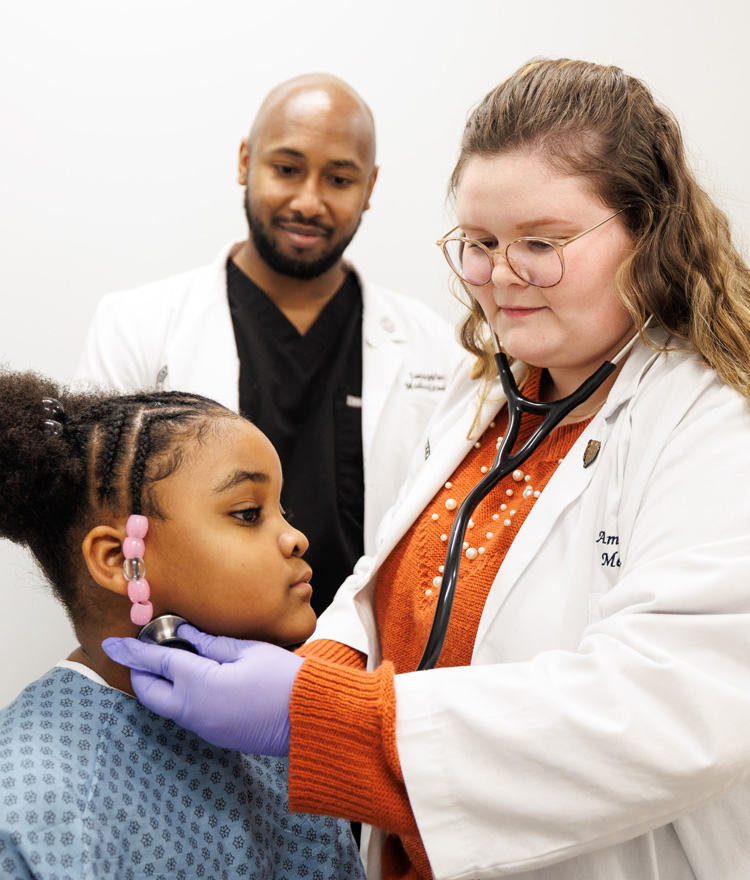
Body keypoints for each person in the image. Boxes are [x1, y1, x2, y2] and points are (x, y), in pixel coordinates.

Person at [103, 57, 750, 880]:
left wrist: (318, 717)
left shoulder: (716, 423)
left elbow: (665, 712)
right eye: (478, 243)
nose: (500, 279)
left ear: (647, 229)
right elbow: (391, 587)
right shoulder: (490, 394)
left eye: (541, 244)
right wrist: (323, 664)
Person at [75, 72, 461, 617]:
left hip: (367, 671)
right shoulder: (137, 325)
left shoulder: (438, 348)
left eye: (340, 179)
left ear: (370, 188)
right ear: (244, 161)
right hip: (186, 660)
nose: (309, 201)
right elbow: (101, 526)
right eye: (286, 169)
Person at [0, 370, 364, 879]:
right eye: (247, 513)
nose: (296, 538)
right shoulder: (29, 799)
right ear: (120, 561)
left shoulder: (274, 729)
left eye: (283, 508)